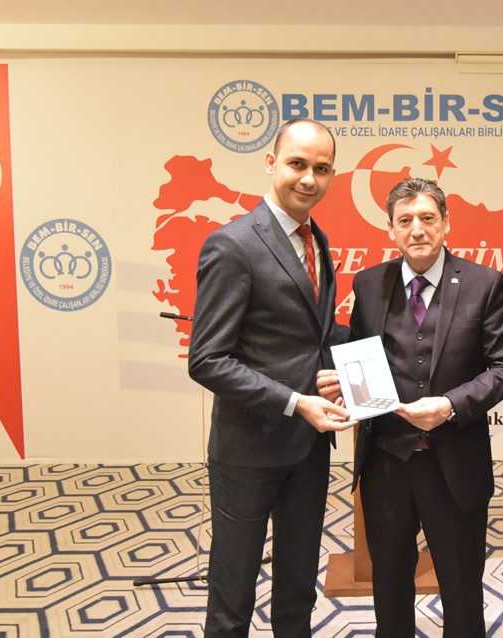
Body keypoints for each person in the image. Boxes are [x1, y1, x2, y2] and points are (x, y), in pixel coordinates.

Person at [317, 178, 503, 637]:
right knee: (389, 589)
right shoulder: (369, 283)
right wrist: (344, 383)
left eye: (428, 218)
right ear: (390, 229)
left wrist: (449, 405)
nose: (417, 229)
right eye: (405, 220)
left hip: (455, 462)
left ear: (446, 223)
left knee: (461, 590)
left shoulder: (484, 283)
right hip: (387, 462)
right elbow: (363, 358)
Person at [188, 118, 356, 638]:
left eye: (321, 169)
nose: (309, 179)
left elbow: (310, 335)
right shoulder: (232, 245)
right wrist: (295, 401)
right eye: (297, 164)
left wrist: (354, 368)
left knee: (298, 586)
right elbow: (207, 359)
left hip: (309, 448)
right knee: (233, 592)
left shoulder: (318, 240)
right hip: (249, 448)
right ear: (270, 163)